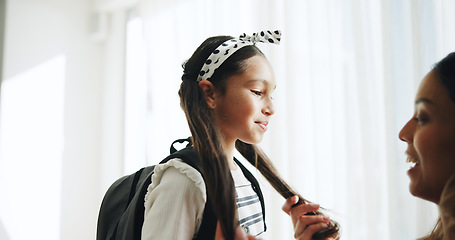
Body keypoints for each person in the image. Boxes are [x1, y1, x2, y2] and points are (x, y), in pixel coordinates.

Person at [140, 30, 339, 240]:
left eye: (271, 94)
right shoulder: (185, 179)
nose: (271, 108)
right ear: (210, 93)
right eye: (257, 91)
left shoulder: (244, 178)